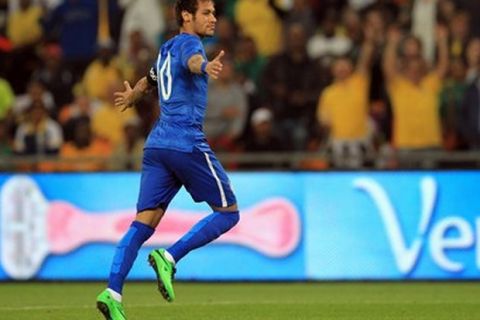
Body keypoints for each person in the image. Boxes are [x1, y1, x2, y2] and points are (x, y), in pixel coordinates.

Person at [95, 1, 240, 319]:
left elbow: (150, 78)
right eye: (207, 12)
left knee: (142, 223)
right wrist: (206, 67)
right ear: (187, 16)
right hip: (185, 142)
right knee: (229, 213)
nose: (214, 18)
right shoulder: (191, 43)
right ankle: (170, 258)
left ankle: (112, 292)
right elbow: (193, 61)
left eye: (215, 12)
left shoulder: (165, 48)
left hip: (156, 145)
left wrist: (135, 93)